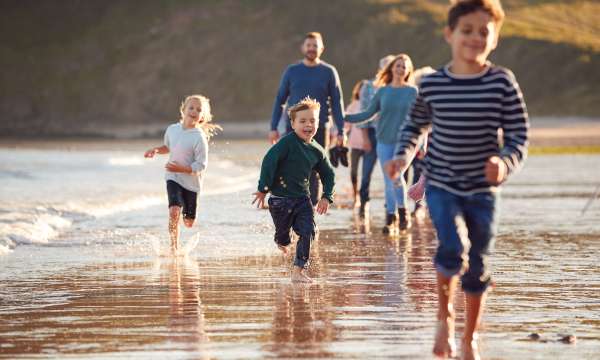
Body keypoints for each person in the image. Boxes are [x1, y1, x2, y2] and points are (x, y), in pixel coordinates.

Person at [387, 1, 529, 358]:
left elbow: (518, 135)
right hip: (442, 184)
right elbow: (413, 126)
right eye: (467, 30)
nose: (475, 38)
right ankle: (444, 316)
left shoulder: (502, 82)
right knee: (452, 247)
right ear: (449, 34)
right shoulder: (432, 84)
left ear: (495, 38)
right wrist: (403, 156)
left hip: (483, 190)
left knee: (479, 260)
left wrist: (505, 161)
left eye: (484, 31)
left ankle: (469, 338)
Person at [254, 97, 335, 283]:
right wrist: (263, 189)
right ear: (293, 123)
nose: (308, 125)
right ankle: (281, 240)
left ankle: (298, 271)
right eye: (303, 121)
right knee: (284, 238)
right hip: (279, 200)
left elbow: (328, 174)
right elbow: (269, 162)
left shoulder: (317, 150)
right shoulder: (286, 143)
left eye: (313, 120)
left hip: (302, 200)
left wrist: (326, 197)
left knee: (308, 231)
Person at [345, 54, 418, 234]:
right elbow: (367, 114)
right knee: (388, 181)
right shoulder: (382, 91)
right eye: (398, 65)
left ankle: (403, 211)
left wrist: (422, 144)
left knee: (397, 177)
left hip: (405, 143)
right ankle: (391, 218)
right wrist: (344, 117)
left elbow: (419, 120)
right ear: (391, 68)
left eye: (404, 66)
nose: (400, 69)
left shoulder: (413, 92)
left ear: (408, 71)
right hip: (383, 141)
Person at [270, 32, 345, 205]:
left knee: (315, 169)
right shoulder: (292, 71)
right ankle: (293, 208)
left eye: (315, 46)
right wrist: (273, 127)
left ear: (322, 49)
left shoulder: (329, 72)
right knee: (292, 168)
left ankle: (310, 213)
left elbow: (337, 103)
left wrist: (341, 131)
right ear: (303, 48)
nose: (312, 49)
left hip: (320, 127)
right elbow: (280, 100)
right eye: (309, 45)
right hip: (293, 128)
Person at [144, 95, 221, 251]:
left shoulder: (199, 138)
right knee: (174, 211)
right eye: (191, 107)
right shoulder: (172, 130)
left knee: (188, 222)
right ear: (183, 110)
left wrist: (181, 169)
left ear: (202, 117)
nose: (194, 111)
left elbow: (201, 165)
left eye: (199, 110)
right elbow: (167, 147)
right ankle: (174, 247)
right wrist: (156, 150)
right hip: (173, 177)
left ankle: (185, 221)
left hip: (192, 184)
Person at [356, 54, 396, 218]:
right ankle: (363, 202)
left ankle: (391, 207)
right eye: (385, 66)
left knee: (394, 174)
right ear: (380, 68)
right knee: (366, 172)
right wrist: (365, 138)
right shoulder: (369, 86)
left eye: (391, 66)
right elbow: (364, 112)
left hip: (393, 134)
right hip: (372, 133)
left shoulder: (400, 88)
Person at [331, 79, 368, 207]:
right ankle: (355, 195)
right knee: (353, 172)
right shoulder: (353, 105)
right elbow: (345, 124)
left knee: (366, 173)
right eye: (361, 89)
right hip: (355, 145)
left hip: (369, 145)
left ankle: (364, 197)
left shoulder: (371, 104)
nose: (363, 92)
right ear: (357, 91)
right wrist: (338, 136)